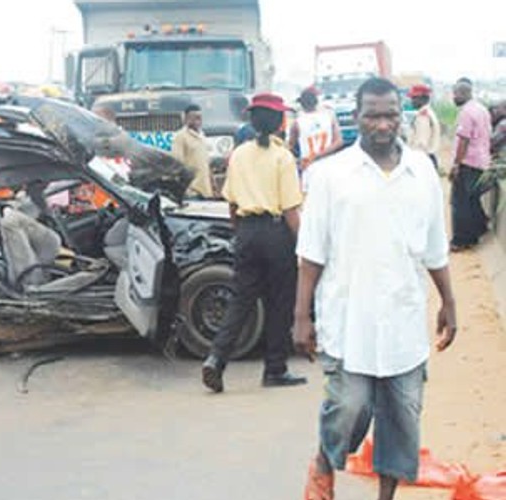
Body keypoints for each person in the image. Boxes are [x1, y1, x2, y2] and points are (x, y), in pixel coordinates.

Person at [294, 77, 457, 500]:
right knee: (349, 408)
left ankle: (385, 496)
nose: (382, 124)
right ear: (356, 118)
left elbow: (435, 246)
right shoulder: (329, 175)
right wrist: (300, 317)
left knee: (402, 418)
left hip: (403, 320)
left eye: (390, 115)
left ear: (399, 115)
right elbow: (311, 253)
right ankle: (325, 462)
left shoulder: (421, 170)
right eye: (372, 115)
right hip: (348, 321)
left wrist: (449, 302)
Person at [201, 93, 307, 393]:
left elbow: (232, 203)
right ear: (278, 123)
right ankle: (275, 369)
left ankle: (216, 359)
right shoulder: (282, 156)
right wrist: (303, 247)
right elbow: (290, 210)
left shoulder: (239, 154)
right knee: (279, 302)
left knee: (241, 300)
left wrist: (243, 233)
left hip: (246, 231)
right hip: (276, 233)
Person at [449, 78, 493, 251]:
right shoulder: (481, 109)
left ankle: (461, 240)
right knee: (472, 200)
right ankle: (479, 230)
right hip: (481, 161)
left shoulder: (466, 112)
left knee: (460, 203)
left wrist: (456, 164)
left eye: (455, 94)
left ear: (463, 93)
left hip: (468, 162)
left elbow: (464, 141)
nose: (454, 97)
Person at [288, 86, 343, 172]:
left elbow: (290, 146)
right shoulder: (329, 116)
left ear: (301, 104)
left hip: (308, 166)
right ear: (317, 102)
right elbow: (339, 142)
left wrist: (298, 162)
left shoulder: (297, 123)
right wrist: (319, 155)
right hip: (328, 164)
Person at [171, 104, 213, 198]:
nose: (198, 121)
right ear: (186, 119)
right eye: (195, 118)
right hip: (192, 191)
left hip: (205, 191)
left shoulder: (202, 136)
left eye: (200, 118)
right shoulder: (180, 137)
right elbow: (177, 164)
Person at [406, 84, 442, 168]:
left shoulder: (423, 116)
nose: (412, 101)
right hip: (427, 158)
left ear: (423, 99)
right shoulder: (428, 112)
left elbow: (421, 143)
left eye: (414, 98)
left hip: (422, 159)